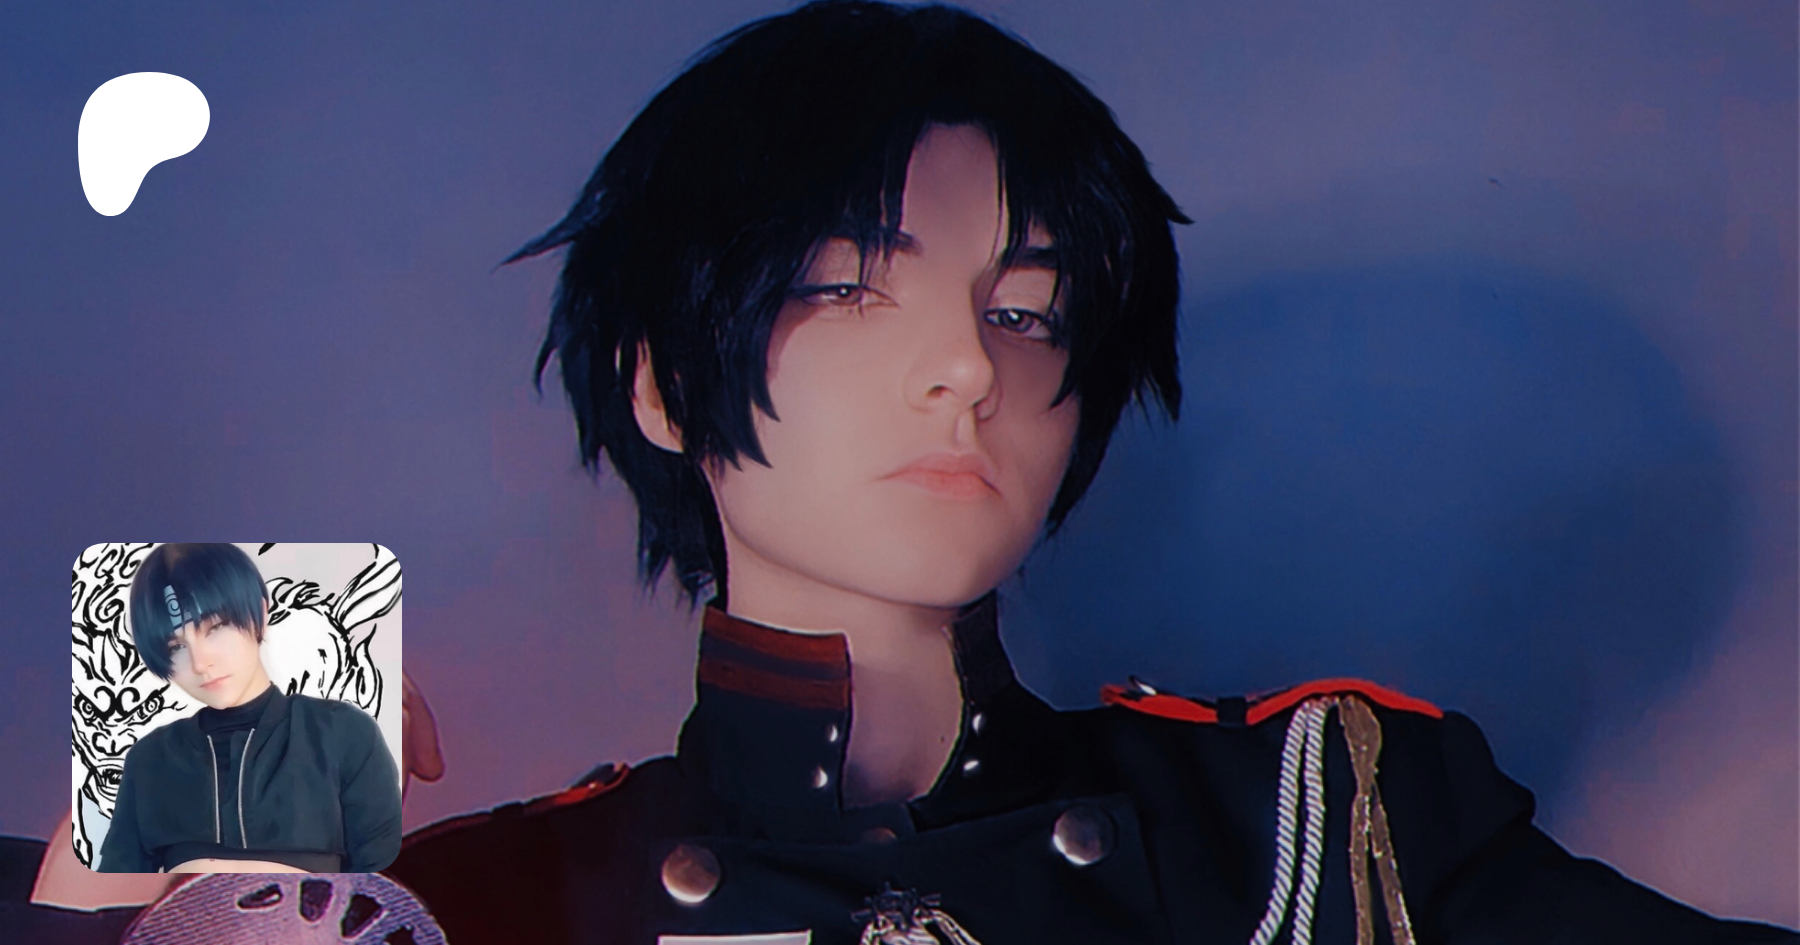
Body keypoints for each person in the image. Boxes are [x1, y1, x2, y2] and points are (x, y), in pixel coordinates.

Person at [376, 4, 1789, 944]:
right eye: (849, 287)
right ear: (664, 385)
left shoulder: (1318, 823)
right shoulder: (478, 903)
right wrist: (245, 823)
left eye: (1027, 311)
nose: (966, 367)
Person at [97, 543, 401, 874]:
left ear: (260, 614)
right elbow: (118, 886)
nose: (200, 663)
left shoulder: (343, 733)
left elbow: (386, 883)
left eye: (215, 629)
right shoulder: (151, 759)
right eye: (176, 647)